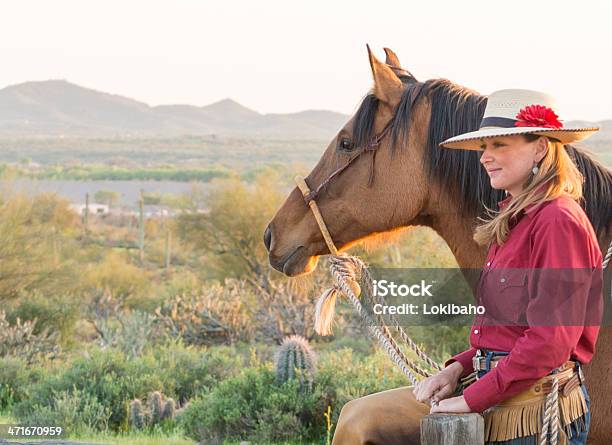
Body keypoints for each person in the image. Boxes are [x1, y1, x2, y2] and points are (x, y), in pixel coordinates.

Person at [413, 89, 604, 444]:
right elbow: (510, 332)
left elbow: (549, 341)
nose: (485, 158)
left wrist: (470, 399)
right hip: (508, 405)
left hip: (536, 416)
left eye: (500, 144)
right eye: (484, 148)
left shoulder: (557, 221)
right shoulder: (513, 221)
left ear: (541, 148)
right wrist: (459, 368)